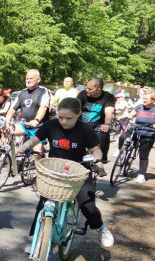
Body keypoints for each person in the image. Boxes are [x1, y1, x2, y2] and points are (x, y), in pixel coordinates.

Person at [19, 97, 113, 248]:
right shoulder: (51, 125)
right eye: (60, 117)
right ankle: (37, 241)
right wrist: (25, 146)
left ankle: (100, 227)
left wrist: (97, 160)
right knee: (44, 205)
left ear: (78, 114)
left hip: (79, 171)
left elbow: (96, 150)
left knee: (87, 205)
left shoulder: (85, 129)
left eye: (69, 118)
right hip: (55, 171)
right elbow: (35, 139)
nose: (64, 121)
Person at [119, 91, 155, 183]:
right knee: (122, 137)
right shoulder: (139, 107)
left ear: (152, 100)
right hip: (136, 128)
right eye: (144, 98)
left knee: (143, 154)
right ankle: (120, 151)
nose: (144, 100)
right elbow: (131, 115)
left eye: (146, 99)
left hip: (149, 131)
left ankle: (141, 175)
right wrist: (125, 117)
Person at [6, 69, 52, 146]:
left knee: (37, 150)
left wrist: (36, 120)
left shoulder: (43, 91)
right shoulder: (22, 92)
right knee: (7, 131)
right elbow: (12, 108)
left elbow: (43, 107)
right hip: (25, 125)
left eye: (31, 78)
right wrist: (7, 121)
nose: (28, 81)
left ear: (38, 80)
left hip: (38, 126)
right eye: (27, 79)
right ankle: (7, 152)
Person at [76, 77, 116, 161]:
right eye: (86, 87)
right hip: (81, 124)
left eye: (89, 89)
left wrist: (107, 124)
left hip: (98, 125)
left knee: (103, 133)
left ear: (98, 90)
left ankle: (99, 161)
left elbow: (109, 112)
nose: (86, 90)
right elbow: (75, 108)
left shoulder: (108, 97)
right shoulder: (82, 94)